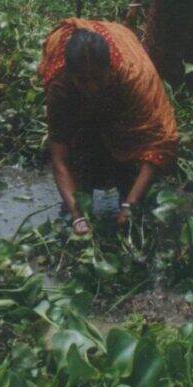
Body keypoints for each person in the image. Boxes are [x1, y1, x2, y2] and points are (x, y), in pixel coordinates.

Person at [39, 20, 179, 236]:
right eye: (83, 80)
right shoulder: (61, 85)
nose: (91, 86)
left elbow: (160, 142)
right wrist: (77, 214)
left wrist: (130, 204)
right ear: (70, 75)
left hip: (122, 70)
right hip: (78, 92)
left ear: (109, 69)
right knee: (83, 148)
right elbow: (60, 158)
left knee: (131, 152)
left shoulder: (133, 77)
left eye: (97, 78)